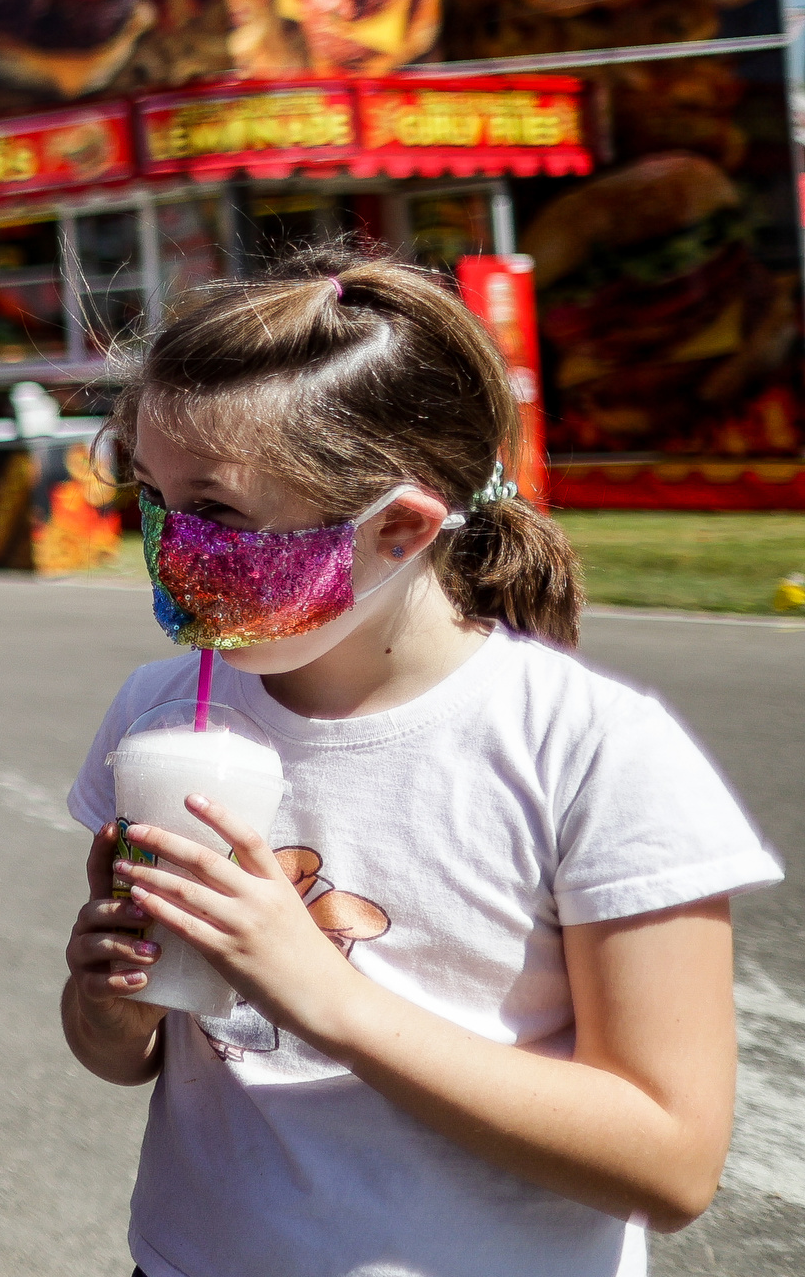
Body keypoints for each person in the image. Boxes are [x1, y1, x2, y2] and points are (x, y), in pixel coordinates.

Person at [62, 253, 781, 1277]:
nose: (174, 549)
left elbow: (670, 1159)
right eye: (152, 498)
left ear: (400, 525)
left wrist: (331, 997)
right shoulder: (161, 711)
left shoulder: (590, 749)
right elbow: (124, 1054)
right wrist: (110, 995)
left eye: (217, 512)